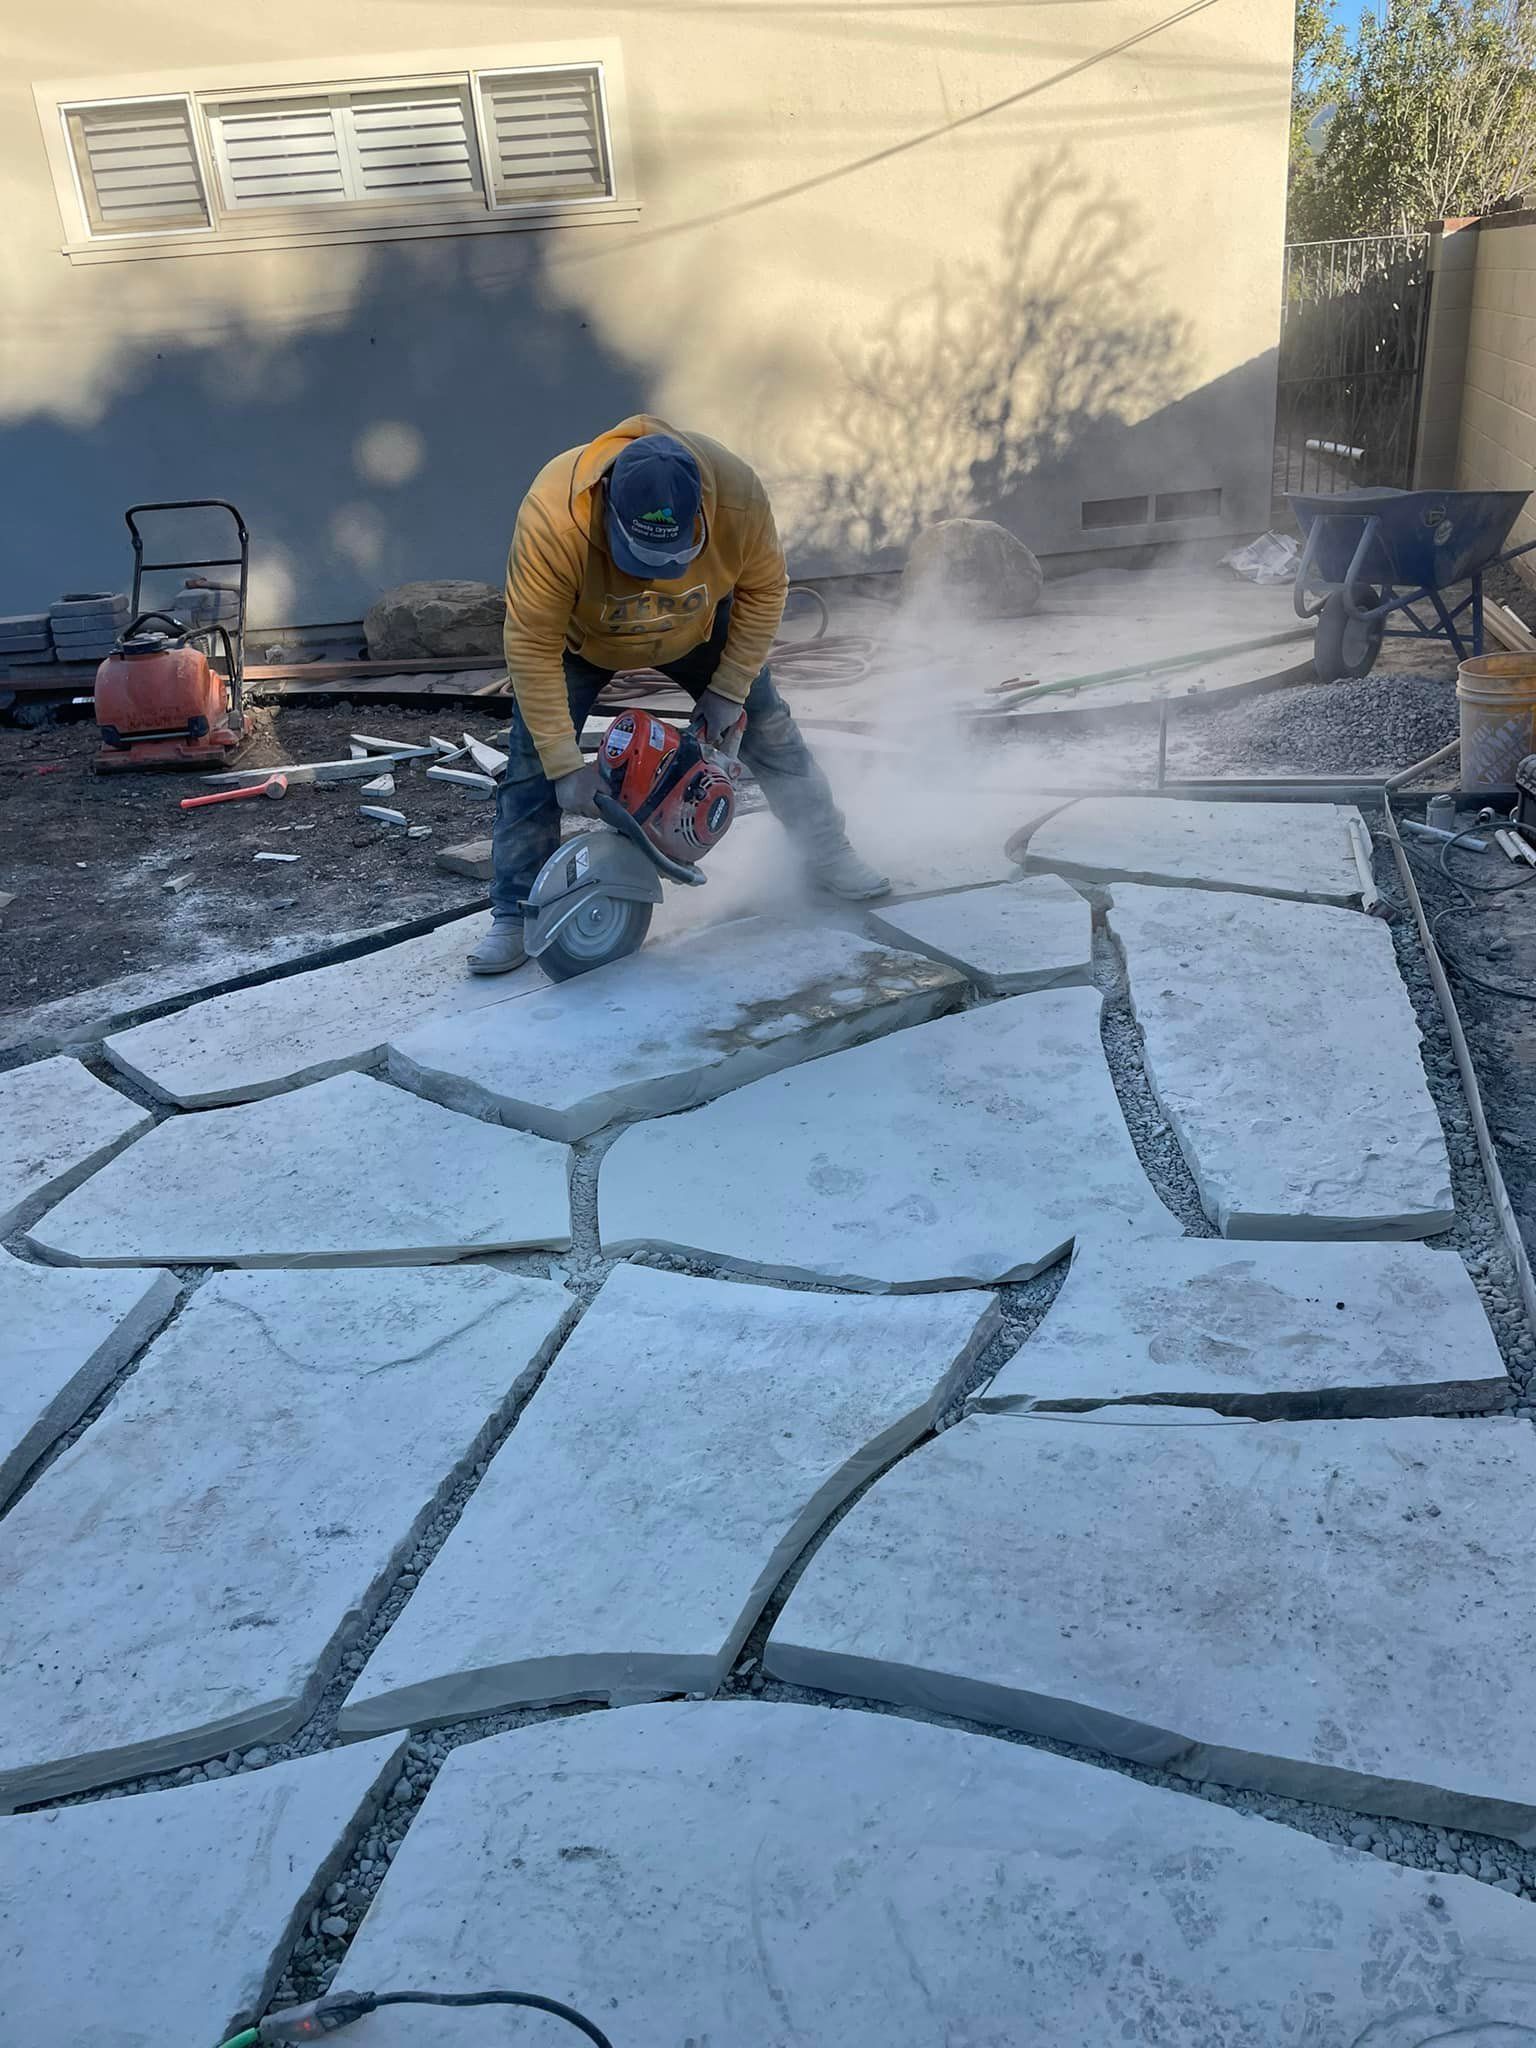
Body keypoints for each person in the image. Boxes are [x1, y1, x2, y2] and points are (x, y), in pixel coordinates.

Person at [468, 416, 890, 973]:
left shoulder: (737, 496)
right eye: (638, 559)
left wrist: (730, 688)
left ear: (701, 520)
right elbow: (531, 644)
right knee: (531, 764)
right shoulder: (554, 515)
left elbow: (765, 589)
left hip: (699, 624)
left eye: (668, 560)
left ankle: (827, 854)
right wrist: (566, 765)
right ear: (607, 510)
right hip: (581, 639)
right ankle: (516, 911)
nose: (650, 579)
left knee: (769, 727)